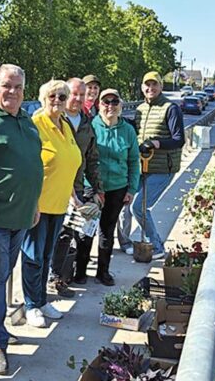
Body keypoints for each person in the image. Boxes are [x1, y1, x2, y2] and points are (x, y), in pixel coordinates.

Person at [0, 64, 44, 375]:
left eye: (17, 87)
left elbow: (32, 164)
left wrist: (34, 202)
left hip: (22, 214)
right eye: (5, 86)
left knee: (0, 274)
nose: (11, 92)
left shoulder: (27, 120)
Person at [22, 79, 81, 328]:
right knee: (33, 257)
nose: (57, 101)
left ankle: (42, 300)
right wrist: (31, 202)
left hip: (59, 205)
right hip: (38, 204)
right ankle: (31, 305)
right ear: (43, 99)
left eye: (62, 97)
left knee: (47, 257)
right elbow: (27, 166)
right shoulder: (36, 125)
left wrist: (74, 198)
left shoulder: (66, 126)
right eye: (52, 97)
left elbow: (67, 164)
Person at [117, 71, 185, 260]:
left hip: (163, 169)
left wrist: (156, 143)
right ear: (142, 88)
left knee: (139, 207)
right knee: (126, 200)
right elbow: (136, 130)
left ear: (161, 87)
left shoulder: (170, 108)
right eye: (147, 85)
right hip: (142, 166)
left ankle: (156, 246)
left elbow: (179, 139)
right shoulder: (140, 109)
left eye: (154, 85)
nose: (150, 88)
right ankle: (126, 242)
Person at [76, 88, 139, 286]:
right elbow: (82, 158)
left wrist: (131, 189)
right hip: (91, 187)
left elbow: (134, 161)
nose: (110, 106)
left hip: (117, 187)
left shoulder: (127, 130)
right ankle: (80, 271)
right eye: (106, 102)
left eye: (114, 102)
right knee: (86, 230)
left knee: (106, 231)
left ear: (120, 105)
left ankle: (103, 271)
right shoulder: (91, 126)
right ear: (99, 105)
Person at [49, 77, 104, 295]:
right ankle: (41, 280)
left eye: (82, 94)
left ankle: (57, 277)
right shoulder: (53, 117)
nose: (78, 98)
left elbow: (91, 159)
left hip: (77, 187)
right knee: (46, 235)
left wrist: (99, 189)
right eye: (74, 94)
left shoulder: (85, 122)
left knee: (67, 233)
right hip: (52, 186)